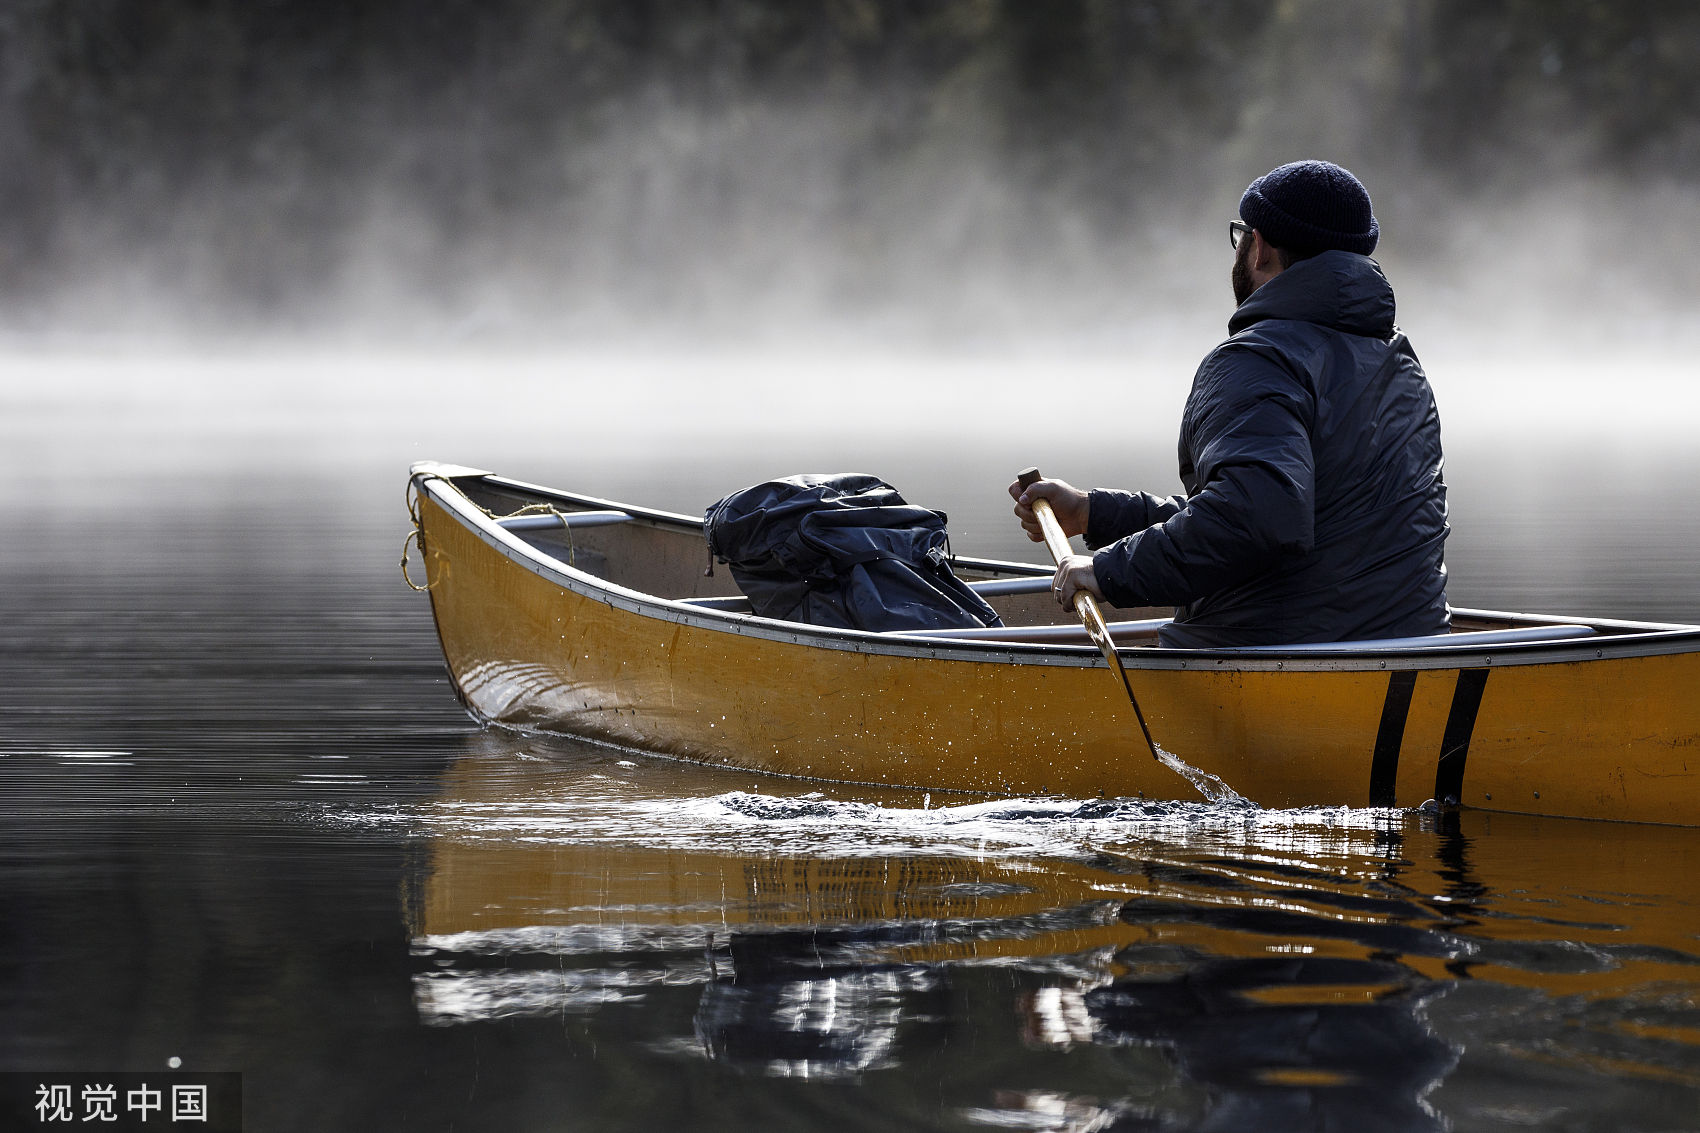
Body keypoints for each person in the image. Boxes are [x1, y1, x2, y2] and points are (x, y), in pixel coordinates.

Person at [1010, 159, 1449, 649]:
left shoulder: (1257, 359)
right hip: (1419, 650)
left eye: (1241, 234)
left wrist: (1107, 572)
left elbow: (1257, 519)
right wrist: (1095, 514)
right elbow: (1269, 515)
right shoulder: (1401, 367)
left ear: (1259, 246)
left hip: (1281, 657)